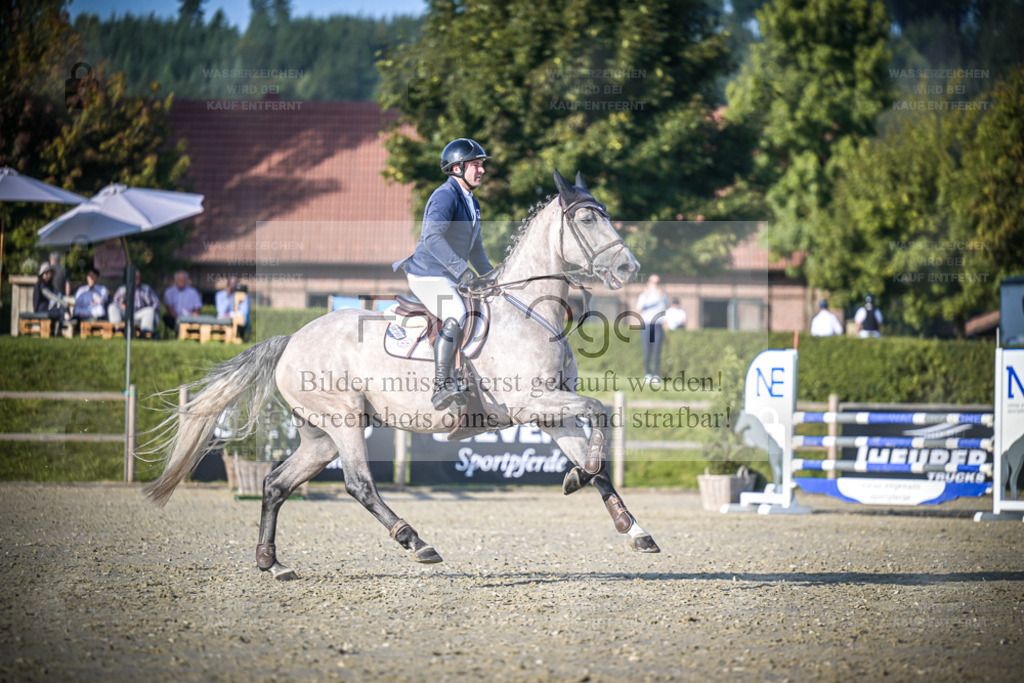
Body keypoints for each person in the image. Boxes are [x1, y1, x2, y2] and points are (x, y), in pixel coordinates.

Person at [392, 138, 493, 410]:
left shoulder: (472, 201)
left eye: (482, 164)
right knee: (457, 313)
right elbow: (432, 237)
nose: (481, 169)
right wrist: (463, 272)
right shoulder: (445, 195)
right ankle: (441, 386)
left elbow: (476, 249)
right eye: (475, 164)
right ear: (457, 168)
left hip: (449, 275)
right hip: (428, 273)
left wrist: (492, 278)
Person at [108, 269, 160, 336]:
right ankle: (117, 330)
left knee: (150, 311)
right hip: (125, 313)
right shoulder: (123, 288)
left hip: (139, 313)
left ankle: (145, 333)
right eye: (135, 276)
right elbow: (115, 301)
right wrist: (121, 305)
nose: (137, 278)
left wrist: (147, 308)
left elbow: (156, 302)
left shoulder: (146, 289)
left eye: (138, 277)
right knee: (112, 307)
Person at [635, 274, 668, 380]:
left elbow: (664, 308)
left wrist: (660, 296)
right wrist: (645, 295)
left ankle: (656, 374)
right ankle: (647, 374)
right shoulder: (644, 295)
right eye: (653, 282)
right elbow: (639, 308)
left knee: (657, 350)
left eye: (657, 282)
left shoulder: (662, 295)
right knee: (647, 350)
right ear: (649, 282)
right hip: (647, 325)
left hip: (657, 325)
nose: (655, 284)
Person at [216, 276, 250, 341]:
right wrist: (228, 297)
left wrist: (231, 315)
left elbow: (243, 312)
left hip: (237, 321)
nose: (233, 286)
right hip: (223, 319)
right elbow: (221, 312)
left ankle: (239, 338)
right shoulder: (220, 295)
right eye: (231, 284)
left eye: (235, 284)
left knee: (240, 320)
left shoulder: (243, 296)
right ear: (228, 284)